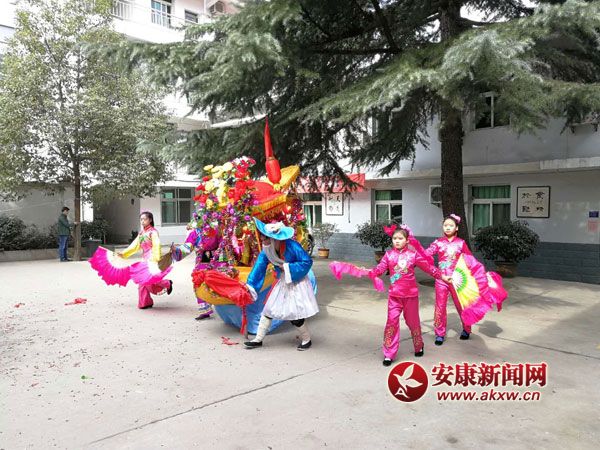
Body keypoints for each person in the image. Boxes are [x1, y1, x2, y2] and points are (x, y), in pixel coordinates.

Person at [368, 226, 452, 366]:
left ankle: (418, 346)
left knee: (413, 323)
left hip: (410, 296)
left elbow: (429, 268)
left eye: (400, 238)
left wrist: (442, 276)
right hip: (394, 297)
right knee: (391, 323)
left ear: (407, 240)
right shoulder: (389, 255)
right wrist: (370, 272)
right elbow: (380, 269)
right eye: (394, 238)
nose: (397, 241)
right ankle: (389, 353)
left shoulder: (413, 255)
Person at [244, 218, 318, 351]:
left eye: (265, 237)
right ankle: (258, 339)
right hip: (283, 281)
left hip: (297, 281)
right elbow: (259, 267)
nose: (262, 239)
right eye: (262, 236)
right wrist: (250, 285)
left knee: (295, 315)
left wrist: (288, 267)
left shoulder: (292, 245)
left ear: (274, 239)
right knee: (268, 310)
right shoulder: (267, 250)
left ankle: (307, 339)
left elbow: (307, 262)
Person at [409, 214, 473, 345]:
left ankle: (467, 328)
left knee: (461, 305)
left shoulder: (461, 243)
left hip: (457, 280)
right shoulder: (438, 242)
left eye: (451, 225)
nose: (448, 228)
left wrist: (475, 275)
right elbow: (425, 254)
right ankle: (439, 333)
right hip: (441, 279)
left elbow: (470, 260)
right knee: (440, 307)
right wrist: (414, 245)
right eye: (445, 225)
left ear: (456, 228)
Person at [118, 211, 172, 309]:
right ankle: (145, 302)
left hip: (152, 258)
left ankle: (167, 283)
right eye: (141, 219)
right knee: (142, 281)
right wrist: (124, 253)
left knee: (152, 279)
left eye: (144, 219)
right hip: (144, 259)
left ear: (150, 220)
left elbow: (157, 245)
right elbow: (134, 245)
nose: (142, 221)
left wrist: (156, 258)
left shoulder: (153, 232)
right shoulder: (142, 233)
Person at [171, 227, 219, 320]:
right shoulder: (196, 232)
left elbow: (223, 243)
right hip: (203, 258)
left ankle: (223, 307)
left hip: (218, 258)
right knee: (199, 281)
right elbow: (188, 246)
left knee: (217, 282)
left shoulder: (216, 228)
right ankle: (205, 309)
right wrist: (177, 250)